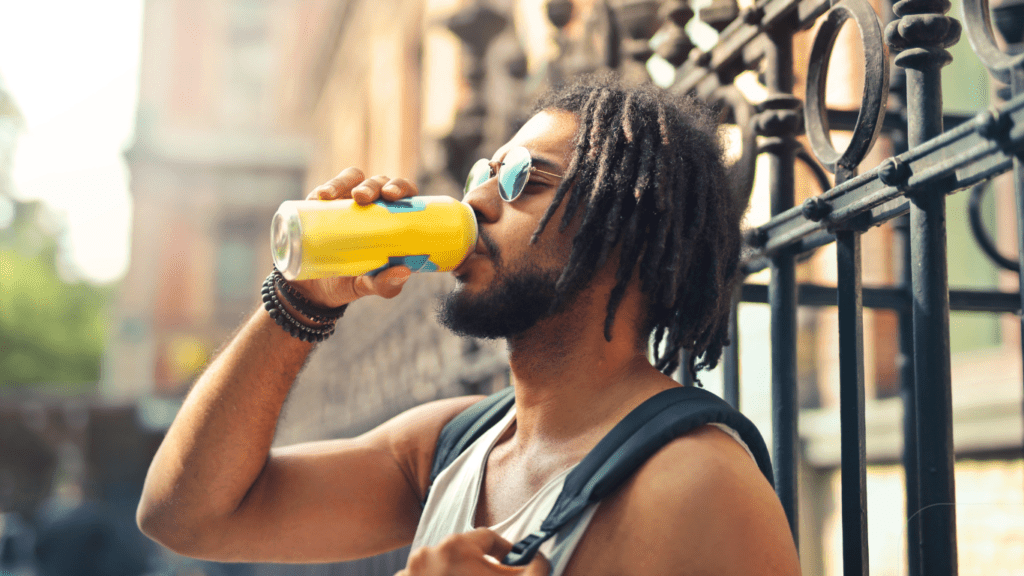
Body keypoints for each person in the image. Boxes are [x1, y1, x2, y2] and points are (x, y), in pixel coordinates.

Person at [137, 75, 801, 576]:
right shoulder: (451, 446)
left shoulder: (695, 482)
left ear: (625, 227)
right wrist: (301, 301)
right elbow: (189, 515)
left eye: (521, 179)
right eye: (483, 172)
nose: (477, 198)